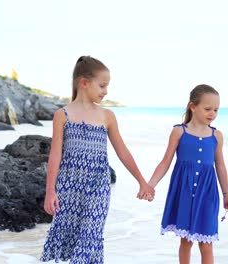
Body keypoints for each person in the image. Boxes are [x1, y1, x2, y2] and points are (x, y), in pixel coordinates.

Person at [40, 55, 154, 263]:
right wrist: (50, 191)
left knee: (90, 235)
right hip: (69, 187)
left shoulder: (107, 116)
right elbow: (55, 154)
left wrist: (142, 181)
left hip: (98, 186)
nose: (106, 91)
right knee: (66, 236)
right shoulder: (62, 115)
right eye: (102, 85)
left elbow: (123, 152)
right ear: (84, 82)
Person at [147, 84, 228, 264]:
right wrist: (150, 185)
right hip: (184, 192)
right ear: (192, 107)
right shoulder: (179, 131)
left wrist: (227, 194)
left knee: (206, 243)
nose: (212, 113)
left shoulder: (217, 136)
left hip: (208, 193)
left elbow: (221, 166)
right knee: (186, 241)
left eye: (216, 110)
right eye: (208, 108)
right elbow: (165, 162)